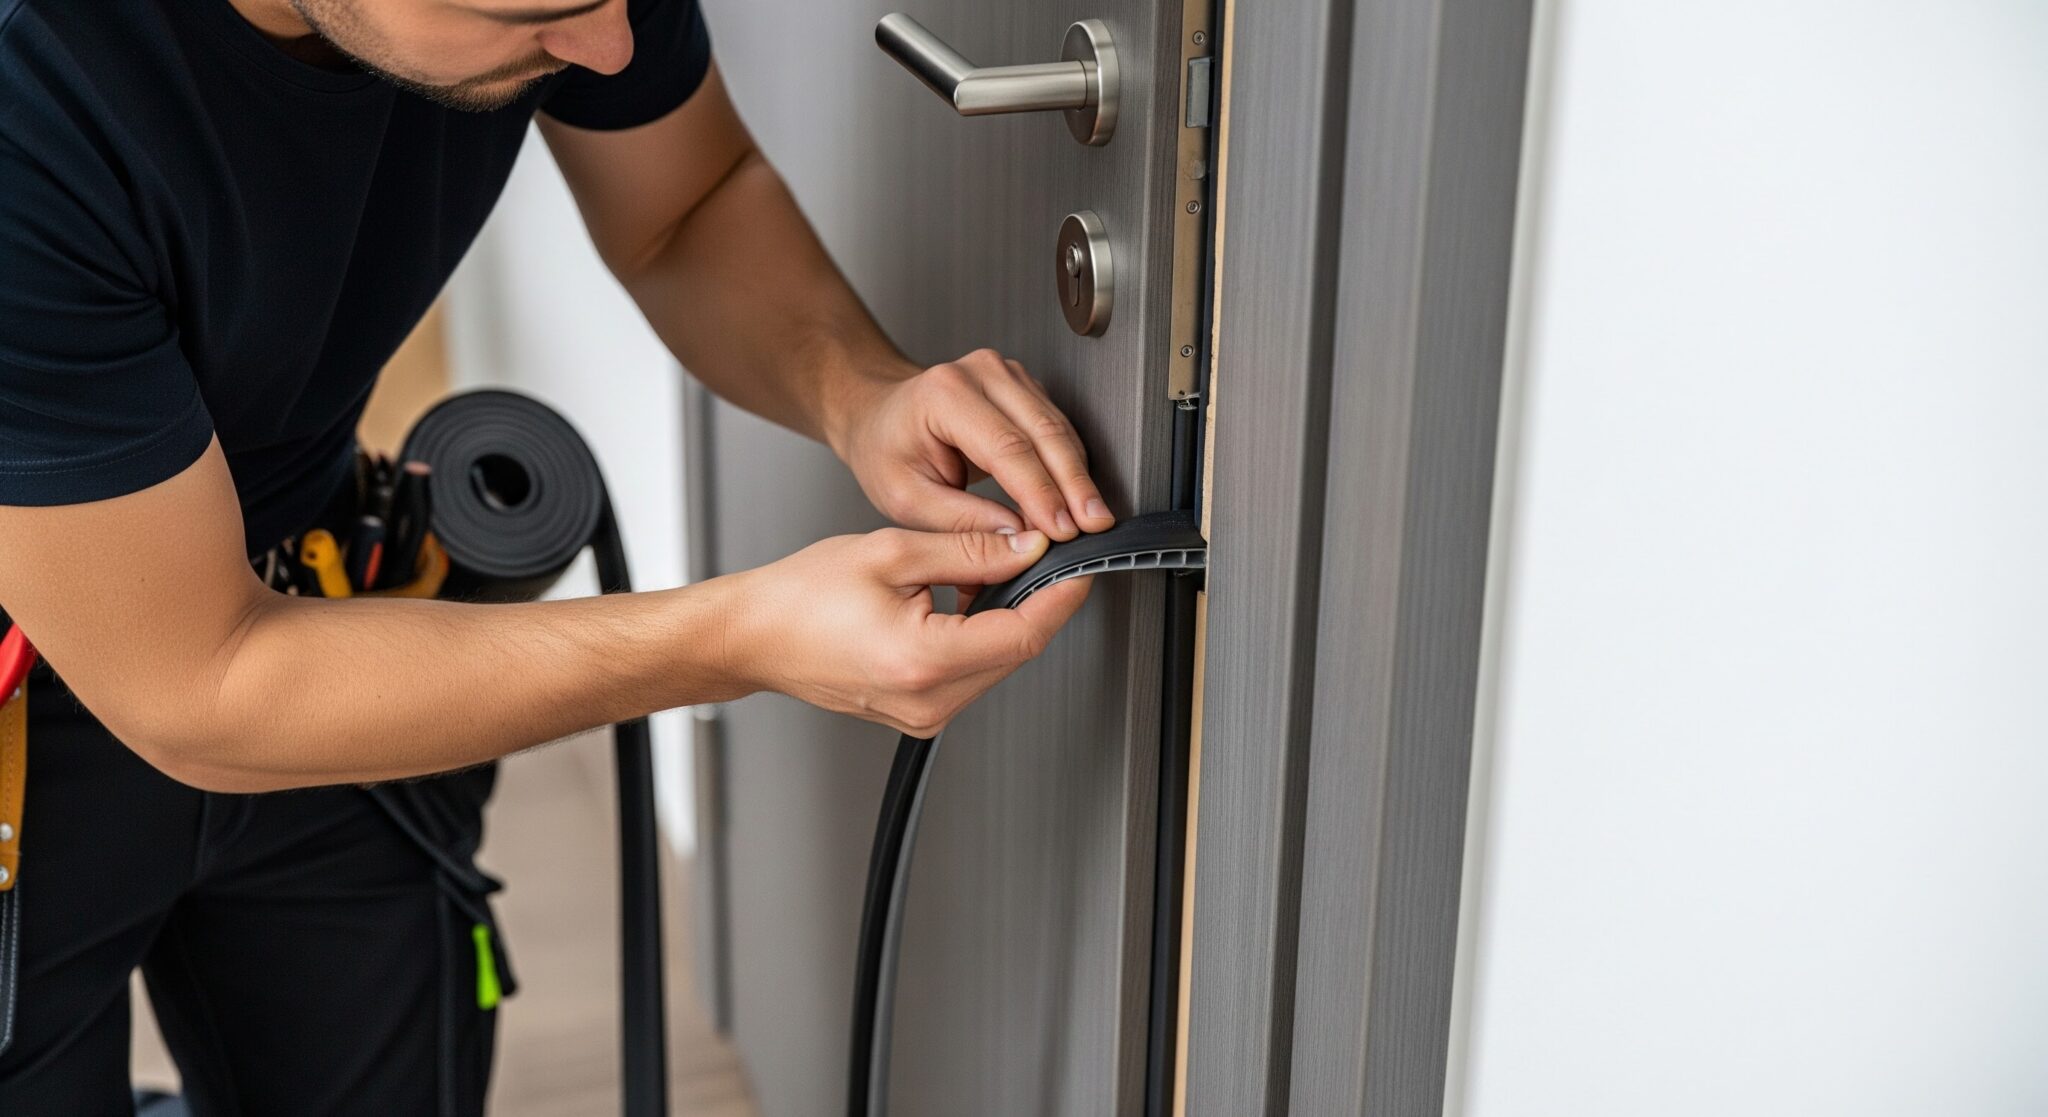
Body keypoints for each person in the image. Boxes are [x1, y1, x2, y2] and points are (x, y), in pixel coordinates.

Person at [0, 0, 1113, 1110]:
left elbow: (685, 203)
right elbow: (202, 681)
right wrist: (738, 637)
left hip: (320, 591)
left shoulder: (586, 7)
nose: (614, 47)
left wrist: (860, 392)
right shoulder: (30, 99)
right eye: (541, 13)